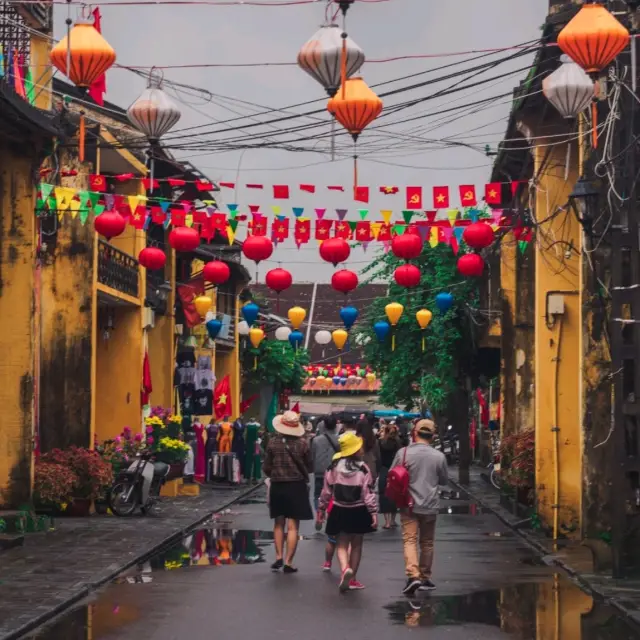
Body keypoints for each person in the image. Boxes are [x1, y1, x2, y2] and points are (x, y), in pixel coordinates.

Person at [391, 419, 448, 596]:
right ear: (432, 436)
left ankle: (413, 575)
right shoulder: (439, 456)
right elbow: (444, 481)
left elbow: (393, 474)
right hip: (430, 504)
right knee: (427, 542)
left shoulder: (404, 453)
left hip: (408, 504)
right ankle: (424, 577)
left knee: (410, 540)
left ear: (415, 433)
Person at [317, 432, 378, 592]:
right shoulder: (363, 469)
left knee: (341, 545)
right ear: (356, 450)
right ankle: (353, 579)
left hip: (339, 508)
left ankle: (345, 570)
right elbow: (368, 493)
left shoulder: (334, 467)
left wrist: (321, 508)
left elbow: (326, 491)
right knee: (356, 545)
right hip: (358, 510)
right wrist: (373, 512)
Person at [264, 410, 313, 574]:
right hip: (296, 485)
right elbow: (309, 465)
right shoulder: (303, 443)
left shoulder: (272, 443)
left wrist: (275, 472)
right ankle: (288, 562)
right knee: (293, 526)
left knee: (278, 523)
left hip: (278, 484)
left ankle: (278, 556)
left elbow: (266, 467)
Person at [311, 416, 340, 570]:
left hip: (319, 472)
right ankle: (328, 514)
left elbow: (312, 456)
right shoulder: (339, 440)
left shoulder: (316, 440)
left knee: (318, 495)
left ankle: (319, 515)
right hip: (334, 471)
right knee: (332, 496)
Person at [378, 423, 403, 529]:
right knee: (395, 494)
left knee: (384, 495)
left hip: (384, 469)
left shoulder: (380, 442)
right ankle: (393, 520)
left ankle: (387, 521)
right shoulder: (398, 443)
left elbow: (378, 457)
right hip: (395, 470)